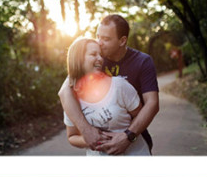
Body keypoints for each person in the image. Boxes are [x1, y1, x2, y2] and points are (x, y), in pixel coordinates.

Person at [59, 14, 159, 155]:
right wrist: (87, 131)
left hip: (135, 133)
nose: (99, 42)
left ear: (122, 41)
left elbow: (152, 104)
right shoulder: (96, 59)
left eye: (106, 39)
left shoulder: (142, 61)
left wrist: (128, 136)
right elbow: (64, 92)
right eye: (98, 36)